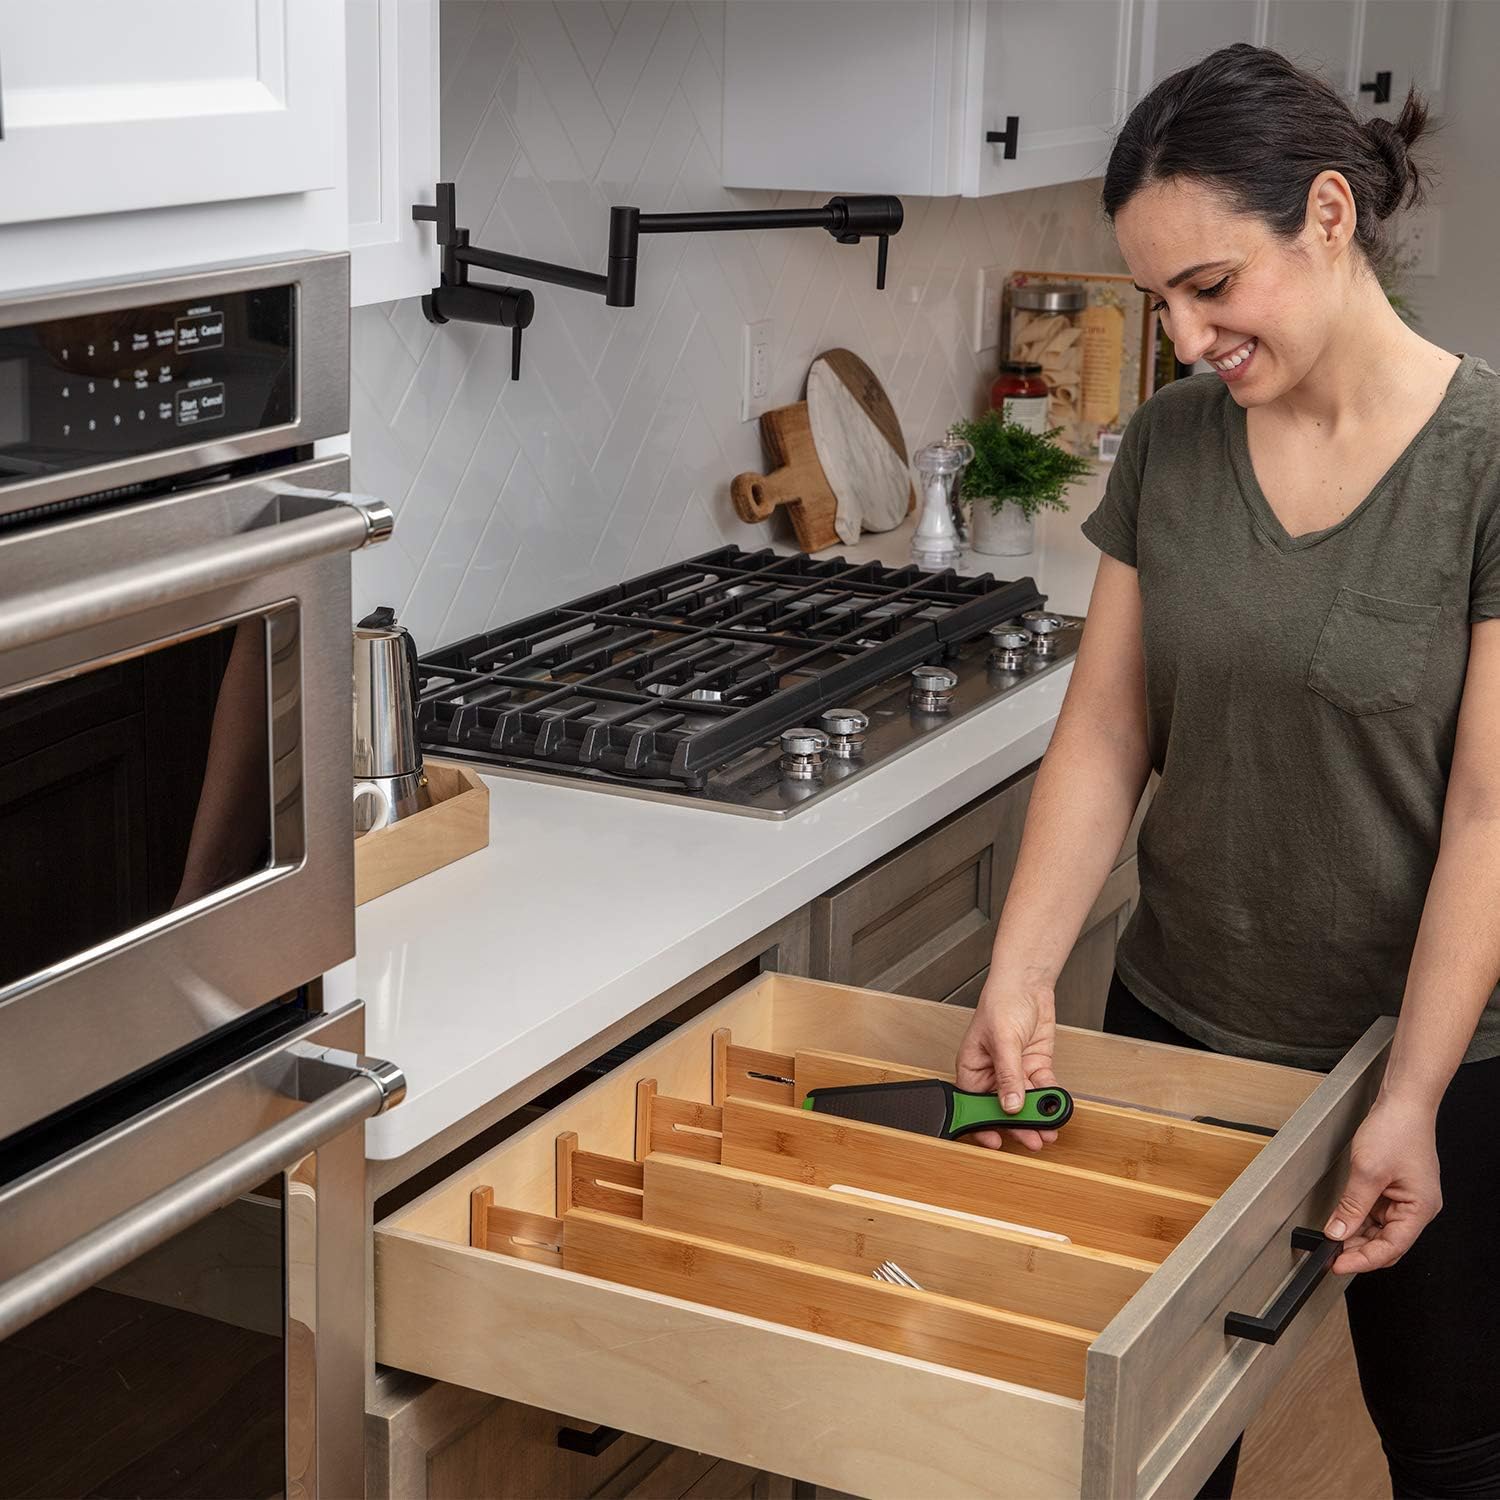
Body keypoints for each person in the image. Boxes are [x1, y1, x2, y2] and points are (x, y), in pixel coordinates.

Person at [954, 43, 1500, 1500]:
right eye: (1158, 304)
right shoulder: (1176, 445)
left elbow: (1489, 815)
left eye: (1210, 287)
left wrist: (1415, 1094)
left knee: (1456, 1452)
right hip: (1180, 1026)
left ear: (1328, 215)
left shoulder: (1489, 462)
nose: (1188, 340)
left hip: (1435, 1061)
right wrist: (1020, 972)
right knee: (1157, 1447)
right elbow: (1108, 731)